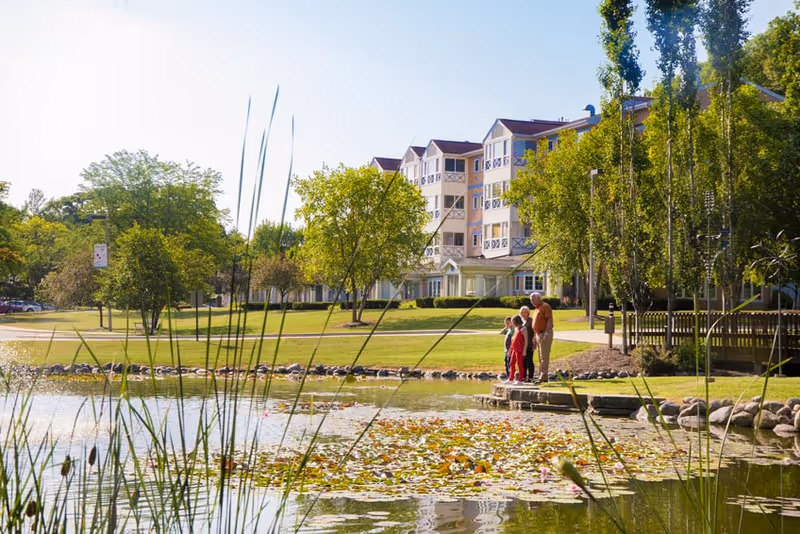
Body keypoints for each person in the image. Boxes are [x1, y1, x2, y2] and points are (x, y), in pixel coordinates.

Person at [530, 292, 554, 382]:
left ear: (538, 298)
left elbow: (549, 320)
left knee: (544, 356)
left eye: (533, 299)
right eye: (531, 300)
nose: (531, 302)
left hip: (545, 333)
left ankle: (543, 377)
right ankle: (541, 375)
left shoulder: (545, 306)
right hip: (538, 334)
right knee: (540, 356)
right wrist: (534, 336)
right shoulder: (536, 308)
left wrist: (547, 333)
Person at [507, 315, 526, 384]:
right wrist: (510, 350)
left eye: (513, 322)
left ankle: (520, 380)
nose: (512, 323)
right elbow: (513, 340)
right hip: (514, 349)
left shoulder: (523, 329)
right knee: (511, 363)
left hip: (520, 349)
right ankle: (510, 379)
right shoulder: (516, 329)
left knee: (520, 364)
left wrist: (524, 350)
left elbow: (526, 341)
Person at [519, 306, 535, 382]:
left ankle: (531, 376)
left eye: (524, 312)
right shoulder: (521, 321)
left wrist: (535, 341)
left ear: (528, 313)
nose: (523, 313)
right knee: (523, 361)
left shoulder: (531, 320)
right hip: (522, 345)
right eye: (522, 312)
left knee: (529, 360)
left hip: (529, 344)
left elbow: (535, 331)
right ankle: (524, 376)